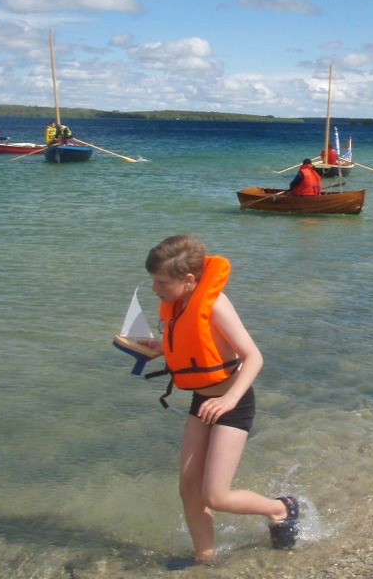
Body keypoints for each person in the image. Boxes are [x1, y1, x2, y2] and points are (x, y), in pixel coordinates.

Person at [135, 235, 300, 561]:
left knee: (216, 495)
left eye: (161, 282)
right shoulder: (178, 304)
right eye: (152, 280)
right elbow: (195, 353)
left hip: (233, 403)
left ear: (189, 280)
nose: (155, 289)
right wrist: (160, 350)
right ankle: (205, 559)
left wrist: (229, 399)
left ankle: (281, 508)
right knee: (188, 488)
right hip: (202, 402)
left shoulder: (215, 304)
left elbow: (254, 357)